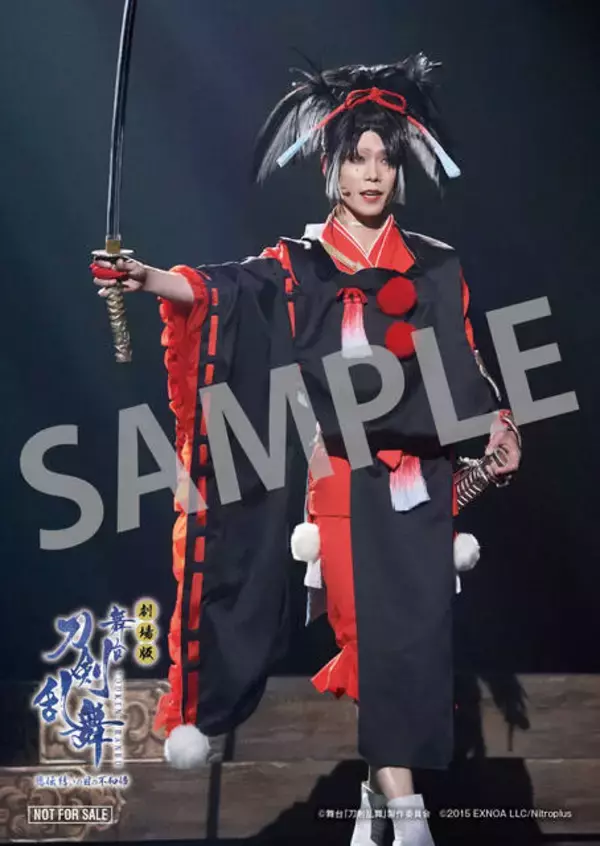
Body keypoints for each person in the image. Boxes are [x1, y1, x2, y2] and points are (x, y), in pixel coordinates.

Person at [91, 54, 521, 846]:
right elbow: (222, 291)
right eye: (357, 157)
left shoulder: (435, 265)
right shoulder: (299, 265)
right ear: (332, 167)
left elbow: (467, 360)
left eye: (384, 158)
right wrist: (146, 277)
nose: (372, 173)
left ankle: (373, 797)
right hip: (344, 483)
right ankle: (410, 817)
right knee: (367, 635)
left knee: (415, 649)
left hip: (422, 486)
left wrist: (498, 421)